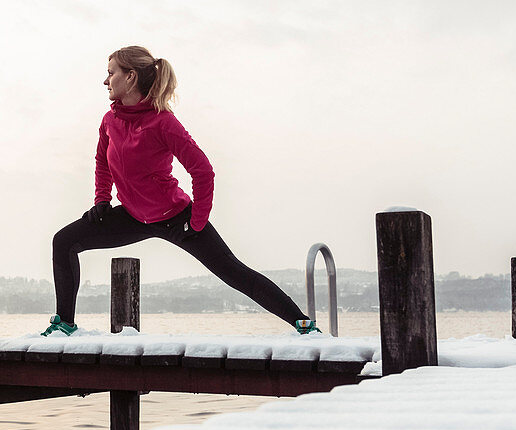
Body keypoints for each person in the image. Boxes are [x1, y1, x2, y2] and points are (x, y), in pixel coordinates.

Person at [43, 45, 319, 336]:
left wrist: (196, 221)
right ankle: (65, 325)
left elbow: (203, 171)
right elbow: (102, 161)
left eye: (111, 73)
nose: (105, 80)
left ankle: (302, 324)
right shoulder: (110, 121)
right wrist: (102, 199)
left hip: (177, 217)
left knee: (232, 271)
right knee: (64, 241)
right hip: (133, 216)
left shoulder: (163, 122)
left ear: (131, 76)